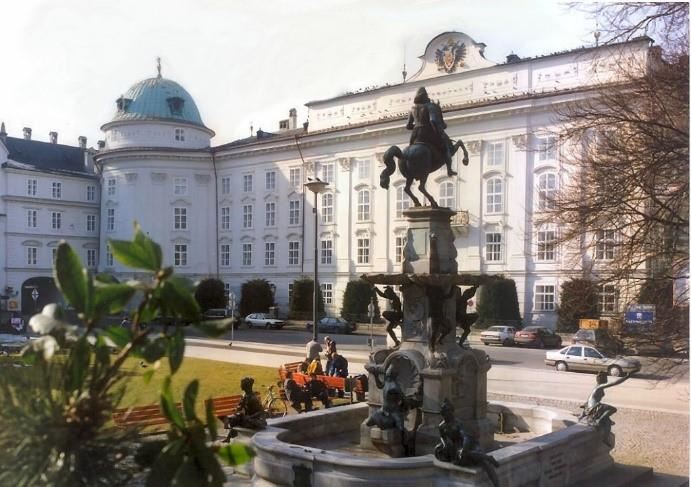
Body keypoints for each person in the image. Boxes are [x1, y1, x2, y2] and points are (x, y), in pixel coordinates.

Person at [406, 86, 457, 177]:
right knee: (445, 147)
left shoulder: (412, 109)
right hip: (426, 133)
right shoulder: (430, 106)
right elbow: (433, 121)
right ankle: (449, 169)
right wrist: (438, 132)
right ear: (425, 96)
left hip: (415, 136)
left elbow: (408, 126)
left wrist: (417, 125)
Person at [579, 371, 631, 436]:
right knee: (613, 409)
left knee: (607, 418)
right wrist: (626, 377)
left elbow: (589, 400)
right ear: (602, 379)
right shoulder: (599, 387)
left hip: (592, 406)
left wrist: (582, 413)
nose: (607, 379)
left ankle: (606, 422)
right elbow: (614, 383)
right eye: (605, 378)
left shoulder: (597, 387)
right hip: (594, 407)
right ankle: (599, 421)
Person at [223, 376, 266, 442]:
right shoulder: (245, 395)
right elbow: (240, 406)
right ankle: (228, 438)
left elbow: (261, 412)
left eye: (241, 384)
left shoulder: (253, 398)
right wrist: (236, 409)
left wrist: (250, 417)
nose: (240, 385)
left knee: (237, 419)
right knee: (233, 419)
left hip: (255, 420)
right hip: (247, 418)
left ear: (246, 386)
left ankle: (231, 437)